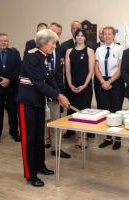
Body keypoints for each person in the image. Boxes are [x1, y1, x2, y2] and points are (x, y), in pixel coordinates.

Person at [17, 29, 70, 187]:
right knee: (29, 139)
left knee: (39, 137)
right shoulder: (31, 57)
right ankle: (30, 174)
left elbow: (50, 78)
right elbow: (39, 83)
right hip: (26, 102)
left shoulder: (44, 57)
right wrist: (58, 97)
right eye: (53, 43)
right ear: (45, 43)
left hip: (39, 102)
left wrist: (60, 93)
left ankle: (40, 165)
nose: (55, 45)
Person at [95, 26, 125, 150]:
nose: (106, 36)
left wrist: (110, 81)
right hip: (101, 81)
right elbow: (96, 68)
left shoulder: (120, 48)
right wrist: (103, 81)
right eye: (104, 34)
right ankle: (108, 138)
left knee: (116, 110)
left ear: (114, 36)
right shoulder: (99, 50)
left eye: (109, 34)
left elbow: (120, 68)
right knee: (105, 110)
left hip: (116, 81)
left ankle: (117, 138)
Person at [65, 29, 94, 148]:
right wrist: (70, 84)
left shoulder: (90, 51)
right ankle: (78, 137)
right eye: (78, 35)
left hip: (85, 87)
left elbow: (91, 70)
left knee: (84, 113)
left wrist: (85, 85)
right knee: (74, 113)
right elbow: (67, 70)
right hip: (72, 87)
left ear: (85, 38)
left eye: (82, 36)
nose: (80, 37)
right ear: (75, 37)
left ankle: (84, 137)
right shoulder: (69, 51)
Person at [0, 33, 21, 144]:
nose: (4, 43)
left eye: (6, 41)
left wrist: (8, 80)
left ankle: (14, 132)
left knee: (13, 112)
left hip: (11, 88)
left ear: (8, 42)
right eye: (1, 41)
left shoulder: (15, 54)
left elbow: (19, 68)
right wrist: (0, 80)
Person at [46, 22, 71, 158]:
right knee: (41, 122)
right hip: (40, 93)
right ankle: (39, 149)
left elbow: (60, 72)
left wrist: (60, 92)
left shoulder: (61, 49)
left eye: (58, 33)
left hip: (55, 91)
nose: (56, 35)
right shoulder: (36, 47)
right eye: (53, 31)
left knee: (56, 121)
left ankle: (56, 148)